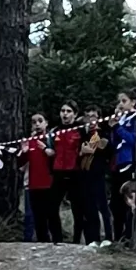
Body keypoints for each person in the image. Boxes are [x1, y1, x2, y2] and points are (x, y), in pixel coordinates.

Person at [18, 112, 62, 244]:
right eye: (34, 122)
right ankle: (43, 242)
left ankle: (58, 241)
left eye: (40, 121)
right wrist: (24, 152)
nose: (37, 124)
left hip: (50, 183)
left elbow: (57, 157)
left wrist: (46, 149)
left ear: (46, 123)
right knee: (38, 217)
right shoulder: (29, 141)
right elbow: (20, 165)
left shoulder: (51, 138)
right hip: (33, 184)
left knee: (52, 215)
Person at [52, 100, 86, 244]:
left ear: (75, 114)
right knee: (52, 206)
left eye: (68, 111)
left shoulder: (80, 129)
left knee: (77, 209)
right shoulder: (55, 131)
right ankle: (57, 239)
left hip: (75, 172)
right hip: (58, 171)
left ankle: (77, 240)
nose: (65, 114)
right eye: (63, 111)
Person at [79, 105, 113, 248]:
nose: (91, 119)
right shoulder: (81, 133)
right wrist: (81, 151)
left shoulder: (103, 132)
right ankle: (91, 238)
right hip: (84, 174)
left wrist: (100, 146)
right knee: (89, 207)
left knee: (103, 206)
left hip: (99, 173)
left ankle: (108, 237)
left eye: (94, 116)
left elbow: (109, 151)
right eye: (88, 115)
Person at [110, 90, 136, 243]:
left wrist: (119, 129)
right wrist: (114, 128)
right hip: (118, 163)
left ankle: (128, 236)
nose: (120, 104)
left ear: (133, 102)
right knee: (115, 203)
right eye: (119, 101)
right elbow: (115, 144)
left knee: (128, 201)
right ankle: (117, 236)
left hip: (129, 163)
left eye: (124, 101)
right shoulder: (123, 119)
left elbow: (134, 139)